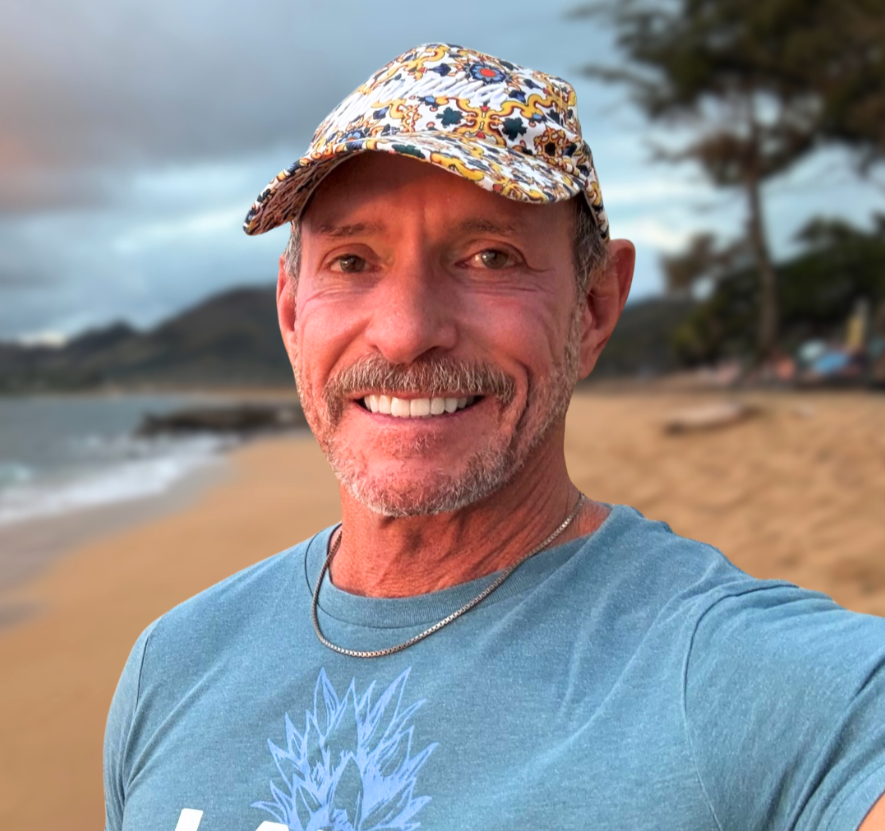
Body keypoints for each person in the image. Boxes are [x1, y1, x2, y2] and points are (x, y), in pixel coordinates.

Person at [103, 43, 885, 831]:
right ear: (291, 311)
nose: (407, 333)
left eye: (487, 257)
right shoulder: (173, 665)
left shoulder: (731, 675)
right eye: (351, 260)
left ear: (594, 306)